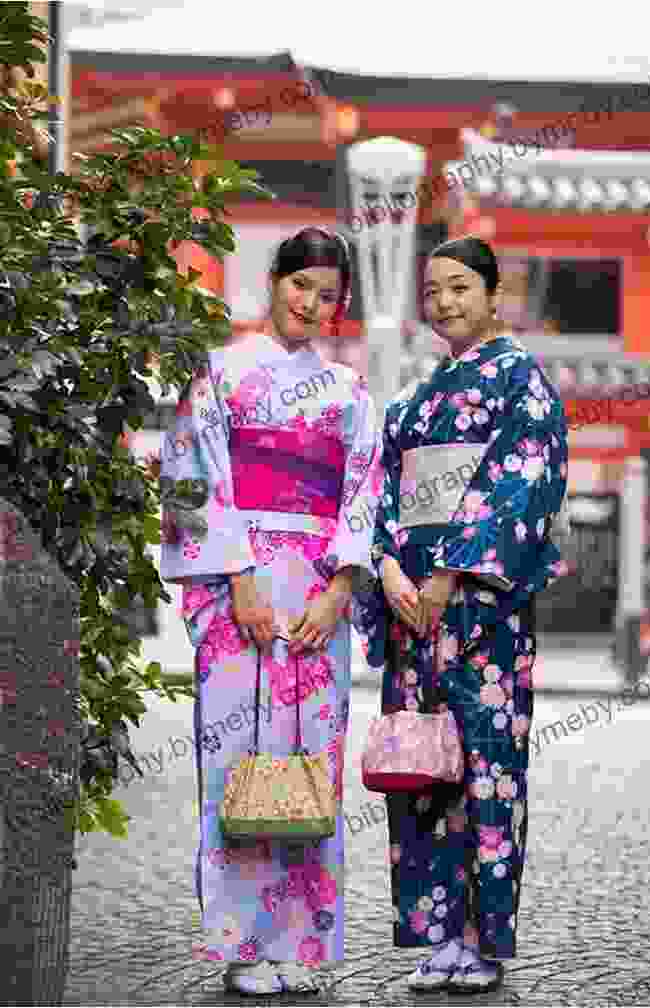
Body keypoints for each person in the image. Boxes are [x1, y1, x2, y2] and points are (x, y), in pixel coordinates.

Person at [160, 228, 382, 996]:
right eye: (301, 286)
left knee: (309, 766)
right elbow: (192, 476)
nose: (311, 305)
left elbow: (365, 494)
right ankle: (242, 943)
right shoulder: (221, 372)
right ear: (276, 281)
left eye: (328, 297)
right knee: (234, 762)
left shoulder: (351, 393)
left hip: (318, 589)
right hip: (238, 585)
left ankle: (303, 943)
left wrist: (340, 589)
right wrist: (240, 582)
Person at [361, 236, 569, 993]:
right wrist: (385, 563)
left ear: (491, 294)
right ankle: (436, 933)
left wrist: (450, 570)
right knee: (421, 768)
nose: (444, 302)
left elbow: (523, 483)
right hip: (409, 606)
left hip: (480, 609)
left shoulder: (520, 381)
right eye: (433, 290)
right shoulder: (420, 393)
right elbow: (381, 490)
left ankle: (481, 939)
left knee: (485, 767)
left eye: (459, 287)